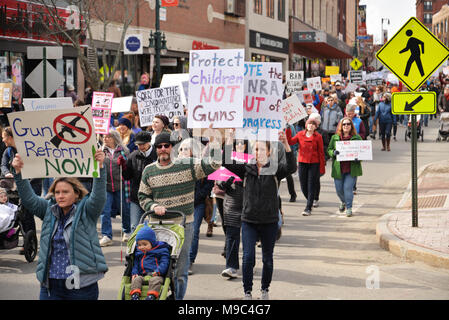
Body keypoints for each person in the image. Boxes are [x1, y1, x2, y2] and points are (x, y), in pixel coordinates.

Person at [11, 150, 107, 300]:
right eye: (57, 192)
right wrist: (18, 173)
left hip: (81, 286)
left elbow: (99, 196)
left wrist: (101, 168)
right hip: (51, 284)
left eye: (65, 192)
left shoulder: (87, 211)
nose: (60, 196)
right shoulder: (48, 209)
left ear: (76, 194)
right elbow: (29, 199)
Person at [138, 131, 222, 300]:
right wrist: (153, 206)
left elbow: (214, 164)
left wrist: (214, 143)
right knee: (156, 268)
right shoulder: (149, 170)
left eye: (166, 146)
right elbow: (142, 195)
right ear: (156, 149)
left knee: (180, 271)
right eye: (159, 147)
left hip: (183, 224)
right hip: (157, 226)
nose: (163, 149)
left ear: (172, 148)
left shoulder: (187, 164)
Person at [222, 130, 297, 300]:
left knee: (267, 260)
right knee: (248, 258)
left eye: (262, 149)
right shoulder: (246, 169)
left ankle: (265, 289)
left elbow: (291, 167)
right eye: (256, 149)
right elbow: (226, 162)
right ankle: (247, 291)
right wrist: (229, 140)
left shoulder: (275, 169)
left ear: (269, 152)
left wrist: (285, 143)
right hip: (249, 220)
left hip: (269, 221)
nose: (259, 153)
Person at [286, 118, 325, 216]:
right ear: (306, 125)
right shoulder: (300, 134)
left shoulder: (318, 137)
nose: (311, 126)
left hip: (314, 163)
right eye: (309, 124)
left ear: (316, 127)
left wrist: (322, 166)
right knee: (303, 186)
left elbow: (321, 152)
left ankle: (308, 207)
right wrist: (287, 129)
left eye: (313, 124)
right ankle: (310, 200)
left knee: (311, 185)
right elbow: (290, 141)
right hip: (303, 162)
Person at [99, 130, 131, 246]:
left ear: (115, 138)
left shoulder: (125, 150)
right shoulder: (101, 151)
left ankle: (127, 231)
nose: (105, 139)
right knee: (104, 211)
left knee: (125, 210)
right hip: (106, 186)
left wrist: (124, 163)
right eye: (104, 137)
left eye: (108, 137)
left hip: (121, 186)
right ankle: (106, 235)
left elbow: (128, 167)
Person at [121, 131, 157, 232]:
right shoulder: (133, 156)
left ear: (149, 142)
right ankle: (135, 247)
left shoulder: (157, 155)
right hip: (137, 197)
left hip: (154, 198)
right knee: (134, 226)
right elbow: (127, 177)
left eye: (143, 144)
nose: (140, 147)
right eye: (138, 145)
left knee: (155, 226)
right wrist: (123, 167)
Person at [327, 118, 363, 217]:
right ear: (341, 126)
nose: (346, 126)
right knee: (339, 190)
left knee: (348, 188)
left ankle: (349, 207)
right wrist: (333, 153)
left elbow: (363, 152)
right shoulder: (335, 137)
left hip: (351, 168)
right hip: (338, 168)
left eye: (348, 124)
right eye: (344, 124)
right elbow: (329, 149)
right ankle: (343, 201)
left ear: (351, 126)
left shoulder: (357, 138)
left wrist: (358, 158)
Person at [130, 224, 170, 300]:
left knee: (155, 281)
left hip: (156, 274)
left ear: (152, 243)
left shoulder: (161, 250)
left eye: (145, 244)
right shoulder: (139, 253)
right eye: (139, 245)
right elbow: (136, 264)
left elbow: (164, 262)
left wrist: (159, 271)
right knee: (136, 280)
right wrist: (134, 273)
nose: (141, 247)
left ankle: (151, 296)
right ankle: (135, 295)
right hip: (142, 275)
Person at [320, 96, 344, 160]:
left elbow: (341, 116)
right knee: (325, 143)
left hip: (333, 129)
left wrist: (337, 122)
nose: (330, 101)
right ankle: (327, 155)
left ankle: (332, 154)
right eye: (329, 100)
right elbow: (321, 117)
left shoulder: (337, 108)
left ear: (334, 101)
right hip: (325, 129)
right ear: (327, 102)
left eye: (332, 100)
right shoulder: (324, 108)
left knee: (332, 142)